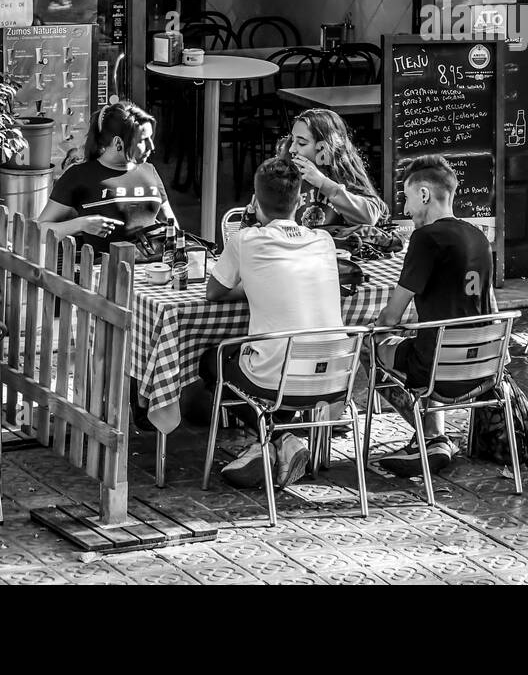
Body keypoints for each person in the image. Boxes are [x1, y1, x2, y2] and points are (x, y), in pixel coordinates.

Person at [204, 157, 342, 490]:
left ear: (254, 199)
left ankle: (278, 439)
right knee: (277, 365)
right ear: (299, 201)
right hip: (335, 377)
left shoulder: (246, 240)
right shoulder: (324, 241)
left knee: (212, 362)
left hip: (276, 379)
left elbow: (214, 292)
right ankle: (273, 443)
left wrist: (254, 281)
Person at [371, 154, 494, 478]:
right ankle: (432, 438)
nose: (407, 210)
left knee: (371, 345)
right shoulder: (479, 237)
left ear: (424, 194)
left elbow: (391, 315)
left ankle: (430, 437)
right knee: (424, 341)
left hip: (437, 369)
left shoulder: (426, 240)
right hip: (483, 367)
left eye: (408, 199)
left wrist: (374, 327)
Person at [38, 100, 174, 256]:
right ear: (118, 142)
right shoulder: (79, 175)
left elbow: (171, 225)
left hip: (152, 271)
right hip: (101, 273)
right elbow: (40, 230)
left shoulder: (149, 170)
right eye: (143, 140)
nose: (152, 147)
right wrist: (81, 224)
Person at [275, 108, 387, 230]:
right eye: (292, 140)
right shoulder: (285, 172)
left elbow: (369, 217)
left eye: (301, 143)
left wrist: (324, 183)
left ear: (326, 147)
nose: (292, 149)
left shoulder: (345, 176)